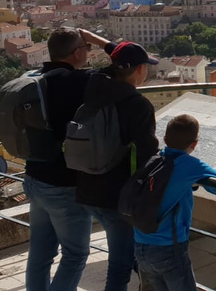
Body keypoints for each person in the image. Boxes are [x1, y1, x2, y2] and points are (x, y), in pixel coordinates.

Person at [22, 28, 114, 291]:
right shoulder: (81, 80)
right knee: (74, 254)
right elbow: (129, 60)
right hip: (64, 184)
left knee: (40, 253)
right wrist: (97, 38)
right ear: (76, 53)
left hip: (34, 177)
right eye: (85, 47)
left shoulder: (34, 79)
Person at [75, 40, 159, 291]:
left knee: (127, 254)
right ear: (139, 69)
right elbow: (147, 155)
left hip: (87, 189)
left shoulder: (93, 90)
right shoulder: (137, 104)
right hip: (118, 197)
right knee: (120, 265)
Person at [134, 114, 216, 291]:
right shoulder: (190, 166)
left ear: (164, 139)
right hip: (169, 249)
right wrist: (197, 181)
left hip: (140, 245)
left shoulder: (154, 159)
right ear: (194, 144)